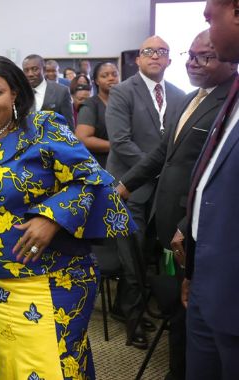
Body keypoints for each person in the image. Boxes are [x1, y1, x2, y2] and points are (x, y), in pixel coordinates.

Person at [0, 55, 136, 380]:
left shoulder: (43, 129)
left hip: (53, 280)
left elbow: (92, 179)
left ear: (15, 93)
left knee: (50, 367)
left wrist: (52, 217)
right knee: (2, 365)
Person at [117, 29, 236, 380]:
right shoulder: (190, 98)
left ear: (231, 59)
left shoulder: (229, 100)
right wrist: (125, 185)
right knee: (177, 305)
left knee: (190, 312)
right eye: (191, 54)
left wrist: (188, 223)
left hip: (195, 225)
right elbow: (161, 155)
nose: (194, 63)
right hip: (165, 217)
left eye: (206, 56)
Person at [106, 35, 185, 349]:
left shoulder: (180, 96)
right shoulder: (122, 92)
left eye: (162, 52)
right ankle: (134, 319)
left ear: (168, 60)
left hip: (162, 192)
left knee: (151, 254)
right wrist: (157, 168)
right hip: (129, 187)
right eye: (148, 51)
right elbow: (121, 142)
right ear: (137, 59)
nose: (155, 56)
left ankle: (132, 308)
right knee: (132, 257)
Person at [178, 1, 239, 378]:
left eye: (208, 18)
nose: (209, 32)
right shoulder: (231, 92)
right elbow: (214, 176)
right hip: (205, 276)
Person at [75, 62, 120, 168]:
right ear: (96, 81)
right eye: (105, 76)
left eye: (114, 74)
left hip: (127, 163)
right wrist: (118, 146)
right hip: (100, 165)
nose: (111, 78)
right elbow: (82, 138)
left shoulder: (126, 102)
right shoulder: (90, 105)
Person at [22, 54, 74, 129]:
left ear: (44, 70)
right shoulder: (19, 92)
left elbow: (68, 126)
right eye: (26, 70)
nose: (30, 74)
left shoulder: (61, 91)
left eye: (34, 69)